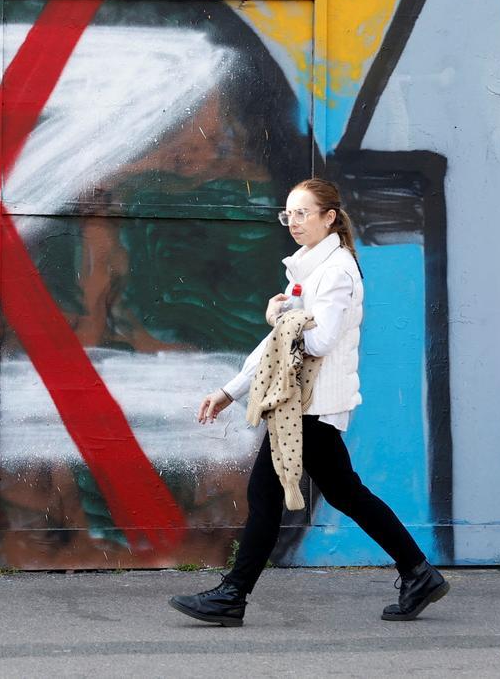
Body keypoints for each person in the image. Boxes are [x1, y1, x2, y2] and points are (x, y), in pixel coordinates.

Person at [169, 178, 449, 627]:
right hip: (302, 403)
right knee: (343, 492)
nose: (293, 222)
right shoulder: (307, 269)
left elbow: (317, 341)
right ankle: (418, 573)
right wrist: (229, 391)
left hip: (313, 404)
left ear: (329, 217)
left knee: (270, 495)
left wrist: (281, 315)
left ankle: (232, 596)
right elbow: (277, 346)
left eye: (302, 213)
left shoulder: (336, 271)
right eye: (289, 214)